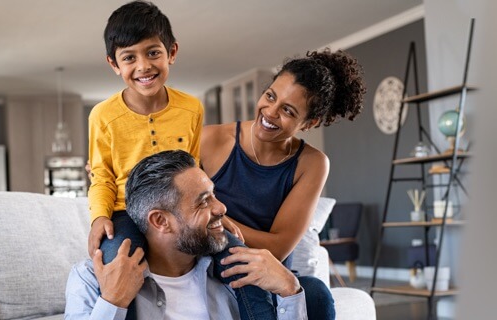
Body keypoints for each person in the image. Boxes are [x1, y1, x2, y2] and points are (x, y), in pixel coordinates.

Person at [86, 1, 275, 319]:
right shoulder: (102, 116)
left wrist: (213, 214)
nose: (143, 66)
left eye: (153, 52)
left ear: (171, 51)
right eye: (129, 57)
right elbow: (102, 175)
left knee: (240, 257)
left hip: (181, 211)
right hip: (124, 212)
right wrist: (98, 217)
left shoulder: (191, 108)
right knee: (118, 265)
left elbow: (194, 169)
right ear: (114, 64)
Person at [201, 49, 367, 319]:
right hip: (212, 262)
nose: (270, 112)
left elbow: (278, 247)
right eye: (270, 96)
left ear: (310, 123)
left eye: (288, 111)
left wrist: (218, 221)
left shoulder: (312, 163)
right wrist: (215, 226)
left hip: (271, 271)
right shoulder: (210, 139)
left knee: (315, 293)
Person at [65, 150, 307, 320]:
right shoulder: (90, 280)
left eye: (214, 195)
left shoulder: (238, 275)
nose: (221, 209)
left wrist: (290, 290)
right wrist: (113, 302)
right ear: (160, 221)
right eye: (203, 202)